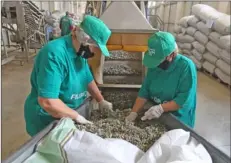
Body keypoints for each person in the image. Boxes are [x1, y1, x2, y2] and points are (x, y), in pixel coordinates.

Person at [24, 15, 113, 137]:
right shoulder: (54, 54)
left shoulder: (80, 53)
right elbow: (47, 101)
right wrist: (76, 116)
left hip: (68, 114)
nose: (94, 53)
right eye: (95, 47)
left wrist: (101, 100)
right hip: (48, 119)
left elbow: (87, 78)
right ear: (84, 38)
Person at [126, 31, 197, 128]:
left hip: (178, 118)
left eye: (158, 61)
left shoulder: (186, 67)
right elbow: (144, 91)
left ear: (171, 55)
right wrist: (133, 113)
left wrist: (160, 108)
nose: (156, 65)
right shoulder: (154, 65)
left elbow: (182, 100)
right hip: (157, 115)